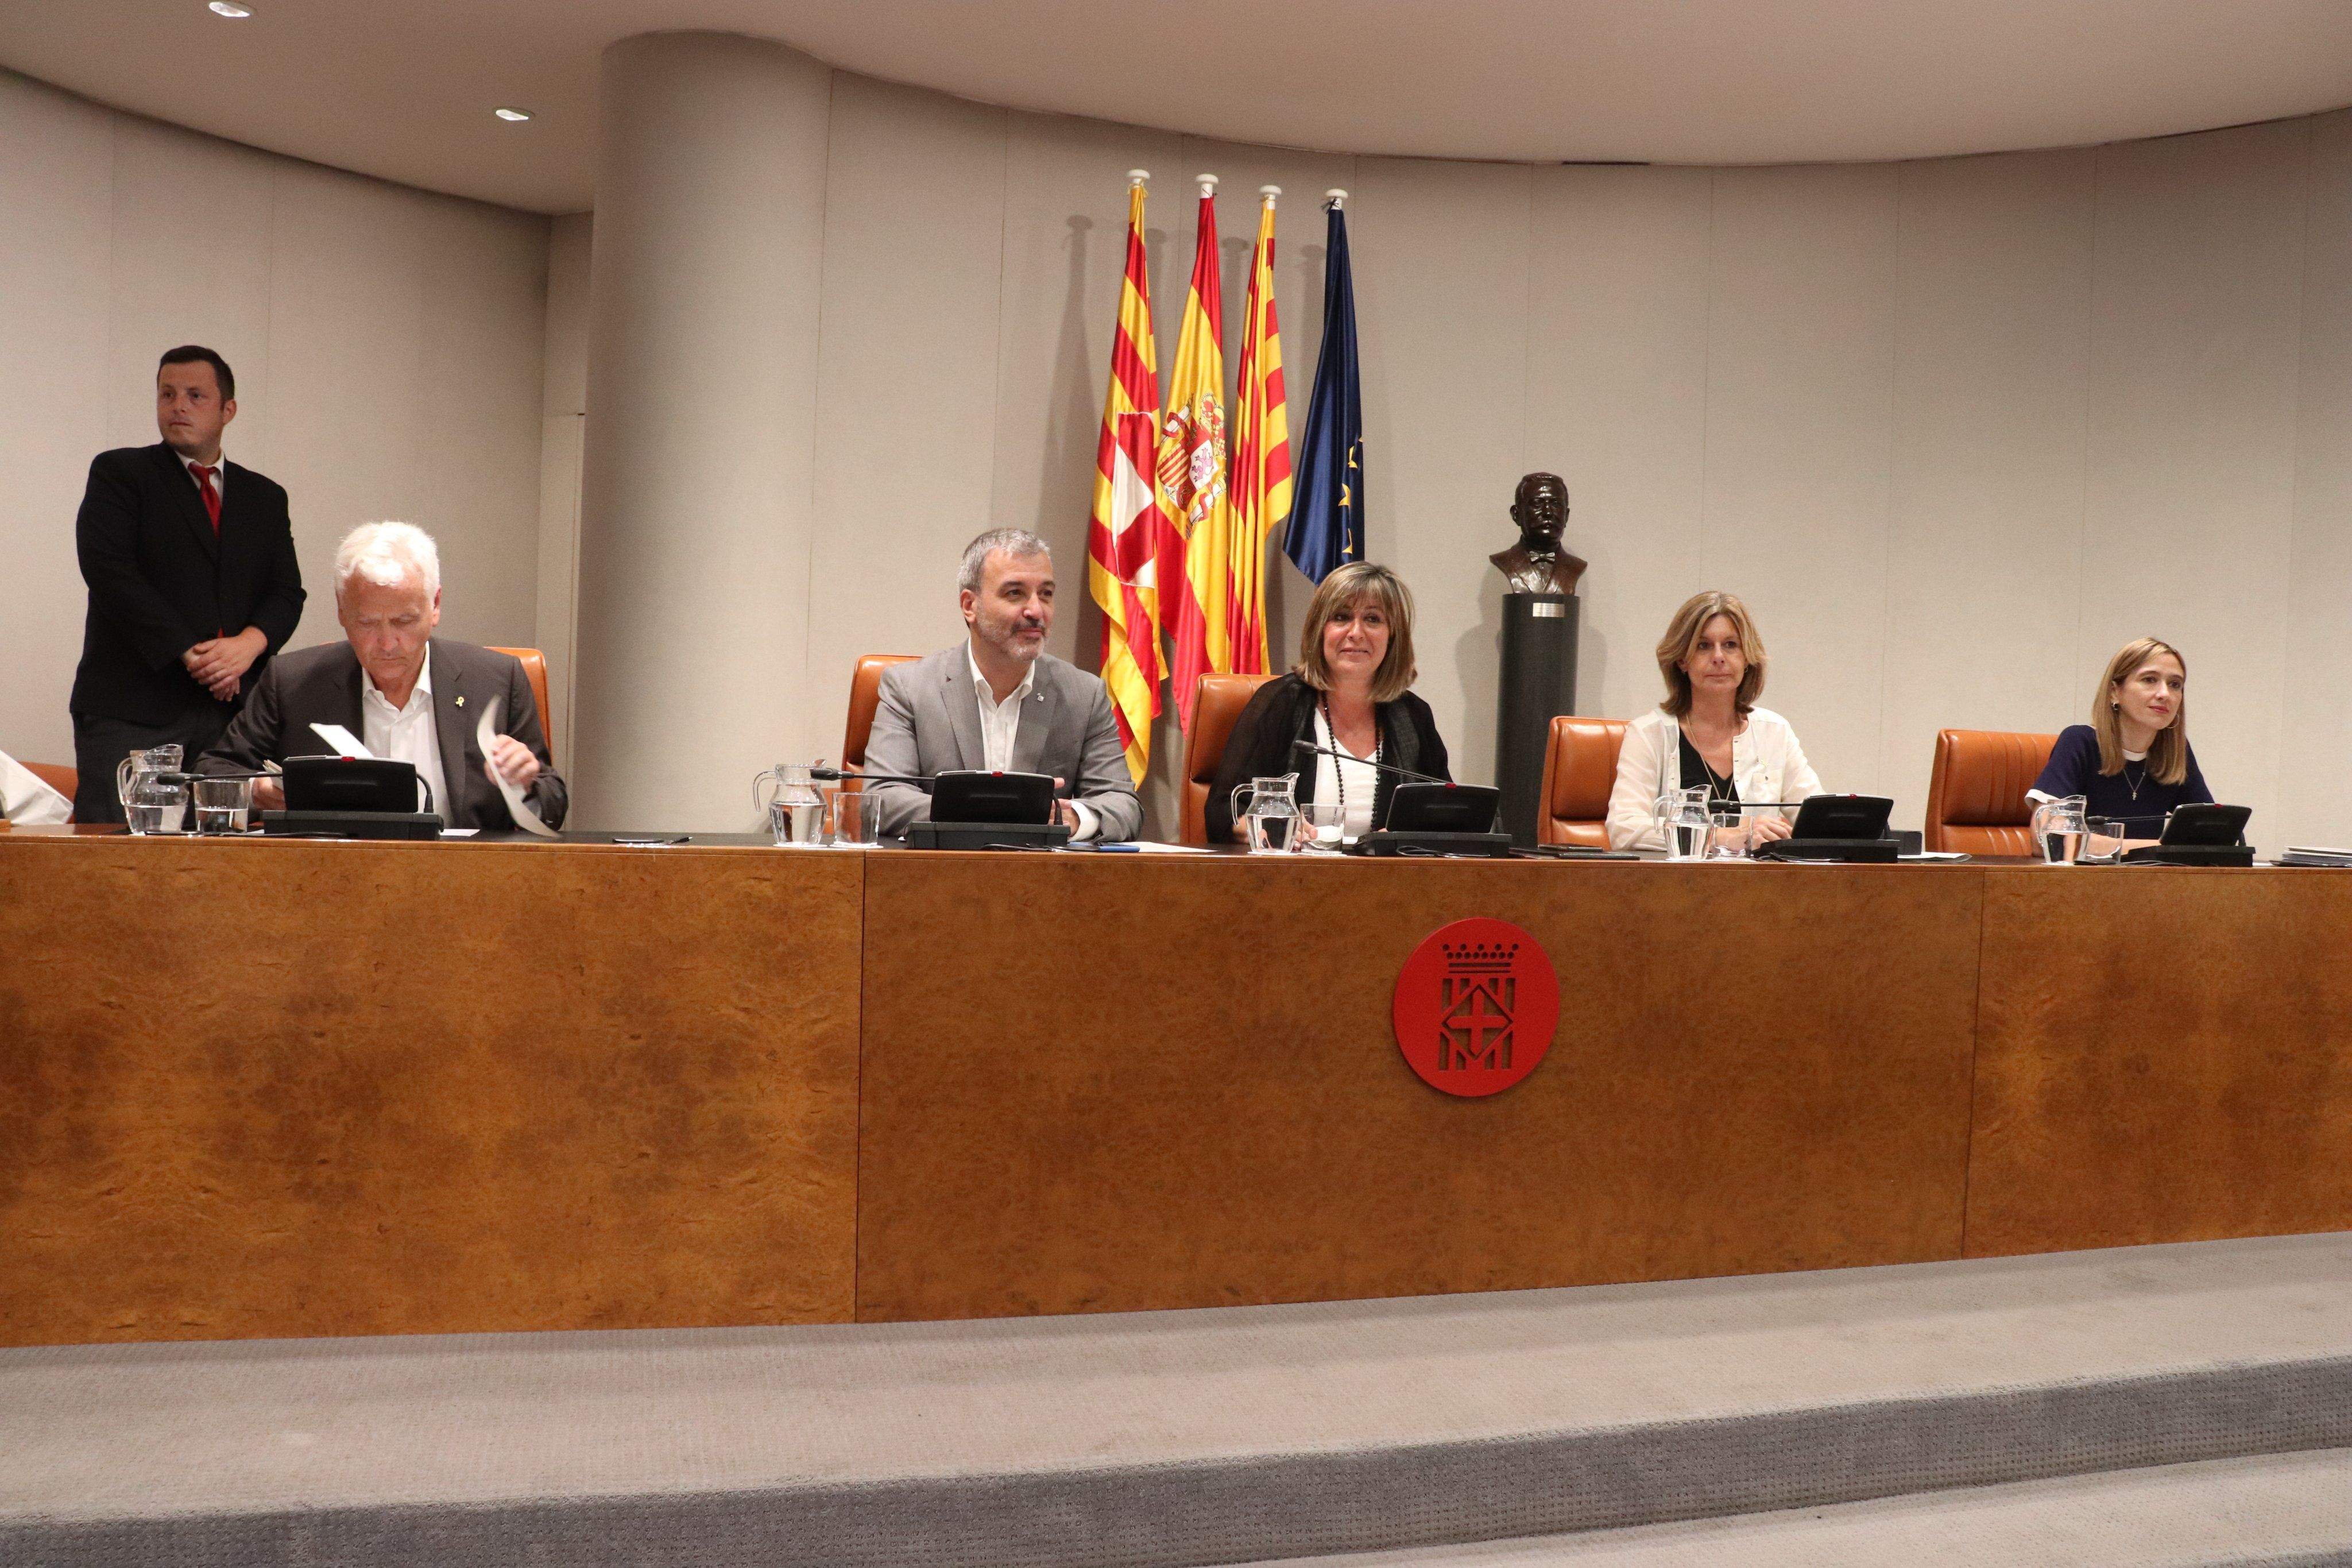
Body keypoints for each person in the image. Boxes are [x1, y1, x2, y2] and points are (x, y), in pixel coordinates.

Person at [199, 521, 564, 832]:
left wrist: (524, 783)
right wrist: (256, 792)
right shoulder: (293, 681)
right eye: (367, 623)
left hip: (464, 877)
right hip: (332, 877)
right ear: (341, 610)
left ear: (435, 606)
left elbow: (553, 803)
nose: (387, 643)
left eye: (404, 621)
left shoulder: (496, 679)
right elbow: (211, 773)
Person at [69, 346, 305, 823]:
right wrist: (191, 653)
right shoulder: (121, 473)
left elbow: (286, 591)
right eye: (168, 394)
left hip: (233, 714)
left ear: (228, 409)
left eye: (195, 395)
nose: (178, 406)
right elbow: (110, 572)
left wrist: (247, 645)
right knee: (121, 853)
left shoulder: (264, 496)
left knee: (226, 852)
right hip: (133, 707)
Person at [861, 528, 1142, 841]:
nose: (1036, 611)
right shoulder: (909, 687)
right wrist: (998, 813)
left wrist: (1072, 817)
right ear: (970, 606)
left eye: (1046, 594)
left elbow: (1123, 805)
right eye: (1015, 593)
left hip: (1043, 870)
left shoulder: (1084, 695)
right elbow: (883, 796)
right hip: (942, 867)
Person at [1206, 562, 1450, 843]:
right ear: (1320, 630)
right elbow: (1222, 812)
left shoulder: (1412, 715)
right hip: (1299, 870)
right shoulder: (1281, 704)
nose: (1356, 632)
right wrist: (1275, 826)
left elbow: (1447, 811)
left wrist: (1412, 834)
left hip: (1387, 871)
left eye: (1373, 619)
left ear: (1392, 636)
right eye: (1341, 617)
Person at [1606, 590, 1822, 851]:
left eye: (1731, 645)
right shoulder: (1648, 734)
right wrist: (1718, 836)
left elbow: (1818, 820)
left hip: (1757, 878)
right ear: (1682, 660)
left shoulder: (1775, 732)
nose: (1719, 657)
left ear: (1747, 658)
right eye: (1704, 646)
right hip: (1677, 878)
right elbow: (1624, 828)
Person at [2028, 637, 2211, 843]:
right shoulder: (2080, 742)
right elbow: (2048, 838)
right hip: (2090, 868)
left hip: (2151, 867)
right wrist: (2156, 847)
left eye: (2175, 685)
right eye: (2149, 680)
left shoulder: (2175, 752)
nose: (2165, 694)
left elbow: (2212, 835)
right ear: (2115, 692)